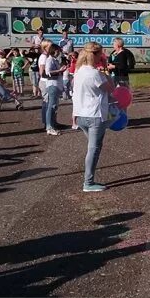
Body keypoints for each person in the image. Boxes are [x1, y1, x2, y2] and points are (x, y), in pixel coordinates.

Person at [72, 42, 115, 192]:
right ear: (96, 55)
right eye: (101, 55)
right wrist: (104, 69)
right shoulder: (95, 74)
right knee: (93, 149)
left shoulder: (79, 71)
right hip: (94, 115)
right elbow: (111, 88)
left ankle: (88, 181)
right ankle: (88, 182)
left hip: (81, 114)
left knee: (93, 146)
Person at [42, 43, 66, 136]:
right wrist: (59, 71)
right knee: (51, 106)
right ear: (54, 51)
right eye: (57, 51)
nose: (58, 53)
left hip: (56, 85)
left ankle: (53, 123)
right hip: (52, 85)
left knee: (54, 106)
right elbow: (48, 72)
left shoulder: (55, 60)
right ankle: (49, 127)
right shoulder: (50, 60)